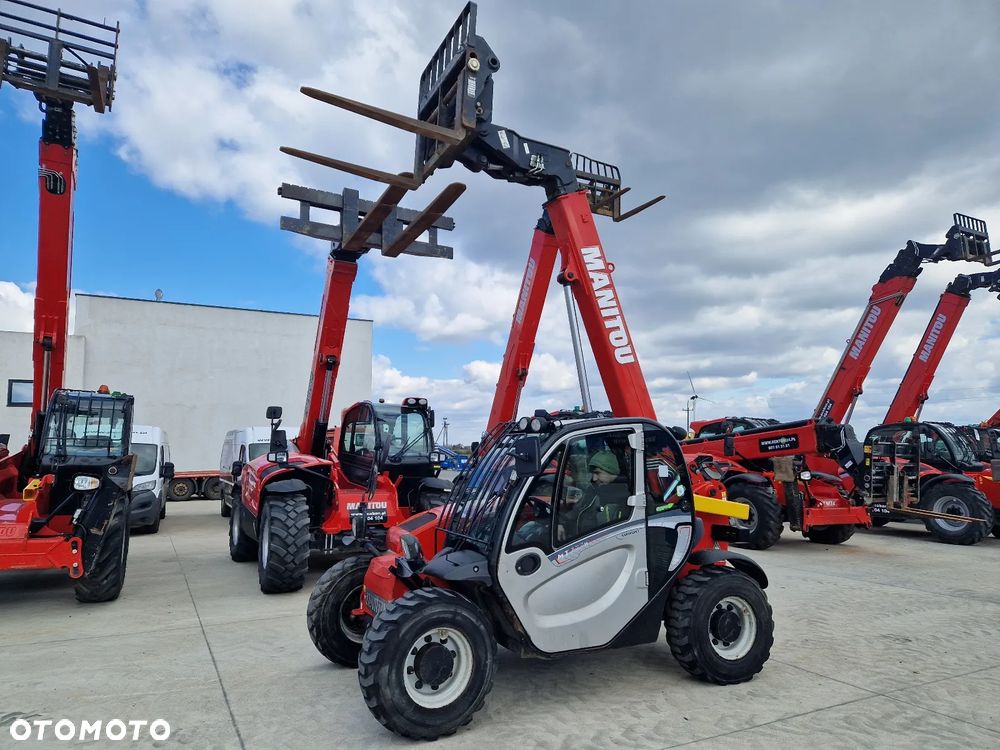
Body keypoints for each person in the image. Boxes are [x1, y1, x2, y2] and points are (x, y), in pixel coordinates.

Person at [559, 450, 630, 540]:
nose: (594, 478)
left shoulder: (625, 498)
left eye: (597, 473)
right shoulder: (593, 490)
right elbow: (576, 511)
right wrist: (561, 524)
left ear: (611, 471)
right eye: (592, 473)